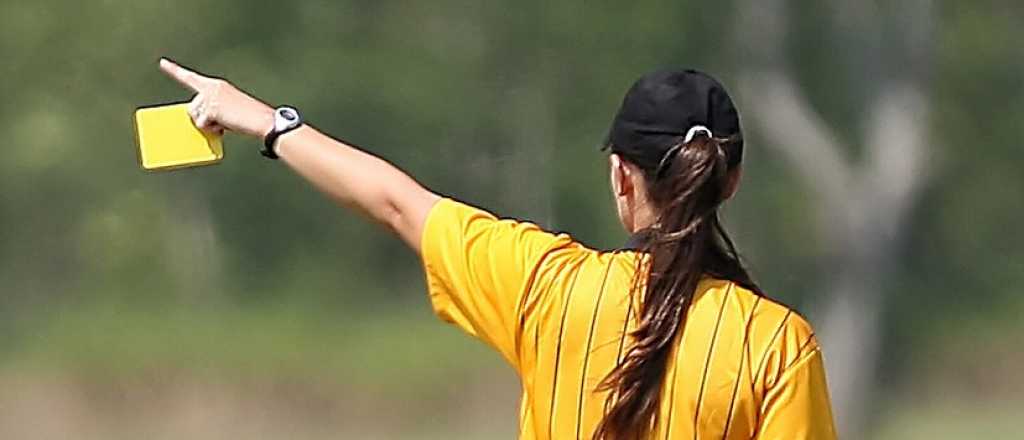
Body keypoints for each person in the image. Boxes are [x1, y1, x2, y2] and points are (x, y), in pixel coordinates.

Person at [157, 59, 837, 439]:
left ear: (621, 176)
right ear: (733, 181)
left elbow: (397, 202)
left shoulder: (548, 288)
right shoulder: (776, 344)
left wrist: (266, 122)